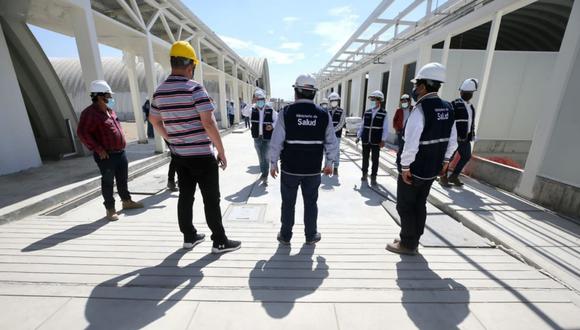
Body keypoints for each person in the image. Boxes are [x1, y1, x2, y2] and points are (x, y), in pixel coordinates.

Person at [148, 40, 241, 254]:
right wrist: (221, 150)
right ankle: (219, 241)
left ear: (173, 63)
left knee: (185, 196)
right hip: (201, 155)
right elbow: (208, 123)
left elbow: (154, 121)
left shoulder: (159, 92)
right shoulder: (195, 88)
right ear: (191, 66)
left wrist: (171, 139)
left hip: (179, 155)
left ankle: (189, 237)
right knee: (211, 199)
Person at [387, 62, 458, 255]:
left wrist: (405, 167)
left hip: (415, 169)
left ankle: (407, 244)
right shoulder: (448, 108)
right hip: (433, 168)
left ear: (424, 85)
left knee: (405, 205)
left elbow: (411, 144)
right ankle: (412, 239)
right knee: (420, 203)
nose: (414, 88)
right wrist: (445, 162)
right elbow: (452, 141)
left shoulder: (420, 110)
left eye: (417, 84)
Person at [269, 73, 338, 245]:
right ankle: (311, 235)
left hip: (289, 170)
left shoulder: (285, 113)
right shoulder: (324, 114)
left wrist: (272, 162)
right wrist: (329, 163)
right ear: (314, 93)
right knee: (311, 203)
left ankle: (285, 236)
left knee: (288, 203)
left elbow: (276, 141)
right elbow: (332, 141)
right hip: (313, 170)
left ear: (296, 92)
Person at [77, 80, 144, 221]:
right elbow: (83, 133)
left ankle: (126, 201)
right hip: (106, 155)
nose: (111, 98)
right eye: (108, 95)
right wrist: (97, 148)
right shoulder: (89, 113)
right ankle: (110, 209)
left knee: (122, 179)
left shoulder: (110, 111)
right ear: (100, 96)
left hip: (120, 153)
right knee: (108, 182)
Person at [440, 78, 478, 187]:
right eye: (466, 93)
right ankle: (443, 177)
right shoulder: (455, 104)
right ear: (460, 92)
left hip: (465, 138)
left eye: (470, 93)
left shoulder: (471, 107)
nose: (468, 95)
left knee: (466, 156)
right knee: (449, 157)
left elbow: (470, 122)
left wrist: (472, 134)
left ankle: (454, 176)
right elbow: (449, 121)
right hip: (454, 137)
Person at [242, 89, 278, 183]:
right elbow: (244, 112)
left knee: (265, 156)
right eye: (258, 99)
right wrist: (251, 103)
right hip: (257, 138)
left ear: (265, 99)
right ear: (255, 99)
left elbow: (277, 120)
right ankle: (264, 172)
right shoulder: (252, 109)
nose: (260, 101)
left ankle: (264, 175)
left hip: (267, 138)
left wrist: (272, 126)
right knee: (260, 157)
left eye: (262, 99)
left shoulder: (270, 110)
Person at [356, 90, 389, 186]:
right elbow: (362, 125)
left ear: (379, 101)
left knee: (375, 159)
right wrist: (358, 136)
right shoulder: (367, 112)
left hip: (376, 141)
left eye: (374, 99)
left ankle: (373, 177)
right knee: (365, 158)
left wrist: (383, 140)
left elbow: (385, 128)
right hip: (365, 139)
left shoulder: (383, 113)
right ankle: (364, 174)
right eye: (371, 99)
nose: (372, 101)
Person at [327, 92, 346, 175]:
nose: (334, 101)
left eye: (335, 100)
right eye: (332, 100)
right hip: (328, 135)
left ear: (338, 101)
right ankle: (328, 167)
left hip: (337, 135)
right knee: (328, 150)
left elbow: (341, 123)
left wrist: (333, 130)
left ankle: (336, 168)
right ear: (330, 101)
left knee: (336, 151)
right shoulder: (327, 111)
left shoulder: (341, 111)